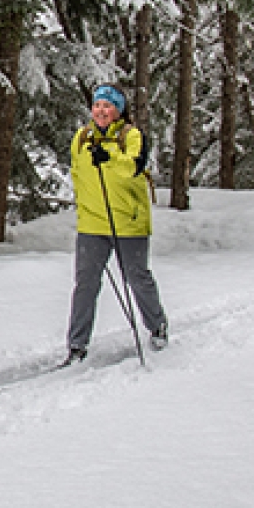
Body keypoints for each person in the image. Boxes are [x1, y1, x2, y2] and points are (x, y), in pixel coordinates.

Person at [65, 84, 167, 364]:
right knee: (85, 284)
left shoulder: (131, 136)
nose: (101, 111)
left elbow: (134, 167)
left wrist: (109, 158)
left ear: (118, 110)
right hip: (92, 225)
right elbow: (77, 174)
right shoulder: (81, 137)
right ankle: (76, 345)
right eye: (98, 105)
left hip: (128, 223)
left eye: (108, 106)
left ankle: (157, 326)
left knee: (136, 278)